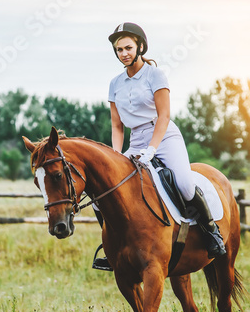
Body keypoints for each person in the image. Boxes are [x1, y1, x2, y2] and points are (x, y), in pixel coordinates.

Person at [92, 22, 226, 271]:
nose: (124, 53)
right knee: (101, 196)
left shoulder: (155, 75)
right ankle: (113, 246)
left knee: (185, 185)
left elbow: (164, 116)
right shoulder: (115, 83)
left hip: (164, 137)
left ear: (140, 47)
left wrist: (153, 149)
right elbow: (117, 126)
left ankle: (212, 233)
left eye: (128, 48)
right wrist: (115, 155)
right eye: (119, 50)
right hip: (136, 140)